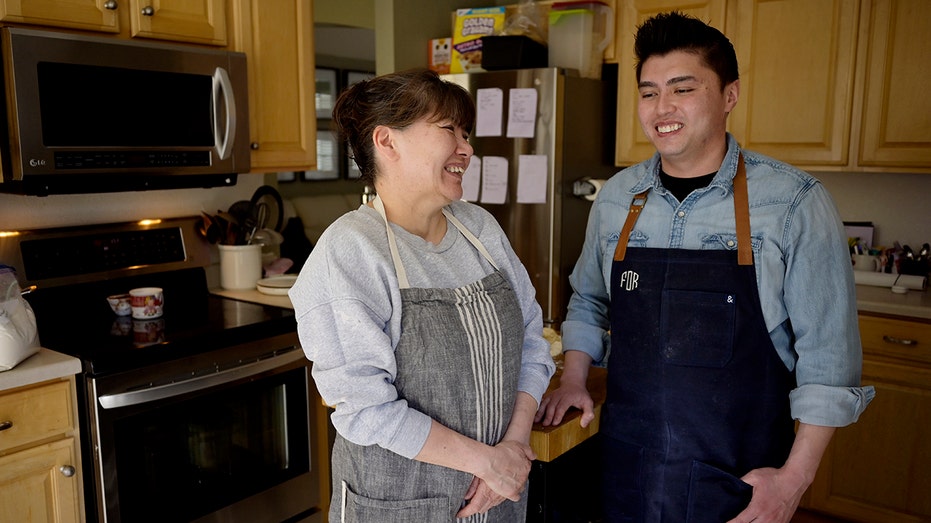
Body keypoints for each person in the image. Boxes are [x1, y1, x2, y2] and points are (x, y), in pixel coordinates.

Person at [534, 11, 875, 523]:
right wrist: (575, 377)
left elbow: (829, 361)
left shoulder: (794, 203)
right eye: (649, 92)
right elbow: (588, 299)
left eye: (682, 89)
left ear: (729, 95)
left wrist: (792, 481)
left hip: (739, 480)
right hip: (626, 466)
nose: (661, 108)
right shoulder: (618, 198)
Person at [289, 69, 555, 522]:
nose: (467, 149)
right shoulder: (351, 251)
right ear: (387, 141)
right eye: (449, 130)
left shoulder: (480, 229)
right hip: (400, 504)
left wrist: (511, 447)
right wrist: (488, 463)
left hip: (499, 496)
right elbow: (367, 409)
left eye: (466, 133)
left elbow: (534, 340)